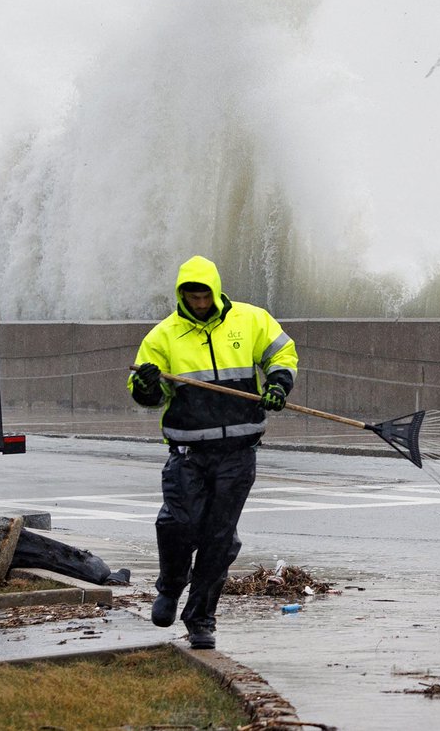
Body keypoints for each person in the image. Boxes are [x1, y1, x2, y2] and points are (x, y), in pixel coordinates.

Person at [128, 255, 297, 650]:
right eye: (192, 295)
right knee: (178, 524)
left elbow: (283, 354)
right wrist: (149, 384)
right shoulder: (163, 336)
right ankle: (170, 587)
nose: (200, 301)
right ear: (181, 295)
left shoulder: (251, 320)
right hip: (188, 453)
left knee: (219, 539)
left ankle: (200, 618)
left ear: (216, 291)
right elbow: (145, 396)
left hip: (238, 452)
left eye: (205, 294)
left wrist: (277, 384)